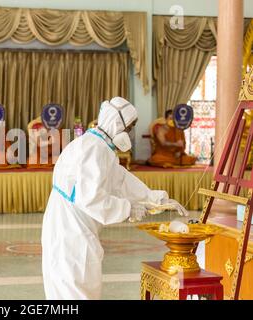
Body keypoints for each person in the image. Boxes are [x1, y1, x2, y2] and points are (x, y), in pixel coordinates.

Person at [41, 97, 187, 300]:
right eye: (129, 128)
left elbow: (120, 180)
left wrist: (155, 199)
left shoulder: (99, 146)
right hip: (70, 231)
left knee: (75, 289)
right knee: (74, 291)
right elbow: (91, 199)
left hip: (73, 227)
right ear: (117, 125)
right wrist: (128, 209)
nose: (130, 134)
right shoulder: (93, 149)